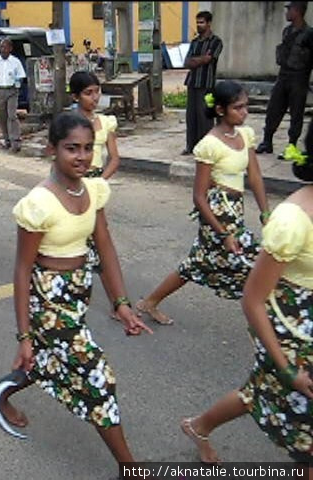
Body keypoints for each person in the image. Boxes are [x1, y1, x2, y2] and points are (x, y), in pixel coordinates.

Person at [0, 112, 151, 475]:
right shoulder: (39, 203)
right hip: (47, 302)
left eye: (88, 148)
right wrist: (24, 335)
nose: (82, 157)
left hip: (78, 294)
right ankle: (130, 467)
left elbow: (105, 245)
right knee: (98, 377)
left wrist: (122, 304)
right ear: (52, 149)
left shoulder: (93, 189)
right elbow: (21, 270)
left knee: (50, 362)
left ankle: (2, 394)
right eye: (72, 149)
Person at [181, 153, 313, 466]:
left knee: (258, 392)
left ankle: (199, 427)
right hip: (288, 325)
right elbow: (253, 299)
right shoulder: (293, 220)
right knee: (303, 420)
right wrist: (285, 368)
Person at [136, 81, 269, 325]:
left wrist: (266, 213)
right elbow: (198, 196)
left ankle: (150, 302)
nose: (244, 112)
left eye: (245, 107)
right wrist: (222, 233)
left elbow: (256, 177)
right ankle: (271, 318)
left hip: (235, 212)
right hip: (216, 216)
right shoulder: (209, 145)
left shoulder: (246, 135)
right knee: (260, 262)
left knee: (196, 265)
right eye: (238, 107)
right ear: (220, 110)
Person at [256, 1, 313, 158]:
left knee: (296, 113)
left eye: (289, 9)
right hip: (283, 76)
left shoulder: (309, 34)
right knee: (273, 109)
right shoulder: (287, 31)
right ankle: (267, 141)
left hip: (299, 78)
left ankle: (292, 146)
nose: (287, 13)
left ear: (298, 11)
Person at [182, 11, 223, 156]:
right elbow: (187, 62)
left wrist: (196, 60)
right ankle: (190, 145)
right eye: (197, 22)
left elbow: (209, 59)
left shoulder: (216, 42)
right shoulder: (195, 42)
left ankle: (205, 147)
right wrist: (200, 60)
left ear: (209, 23)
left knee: (204, 116)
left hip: (206, 84)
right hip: (193, 82)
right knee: (191, 116)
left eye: (202, 23)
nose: (199, 25)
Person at [69, 71, 120, 179]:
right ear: (75, 97)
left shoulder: (106, 122)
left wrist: (100, 181)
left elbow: (114, 159)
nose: (95, 97)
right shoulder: (68, 123)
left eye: (97, 91)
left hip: (97, 179)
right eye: (88, 93)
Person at [0, 38, 26, 153]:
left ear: (10, 49)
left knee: (12, 115)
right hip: (0, 90)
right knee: (2, 116)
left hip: (12, 90)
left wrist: (18, 85)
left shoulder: (15, 62)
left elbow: (22, 76)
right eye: (1, 47)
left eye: (6, 47)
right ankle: (7, 140)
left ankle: (16, 141)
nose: (3, 49)